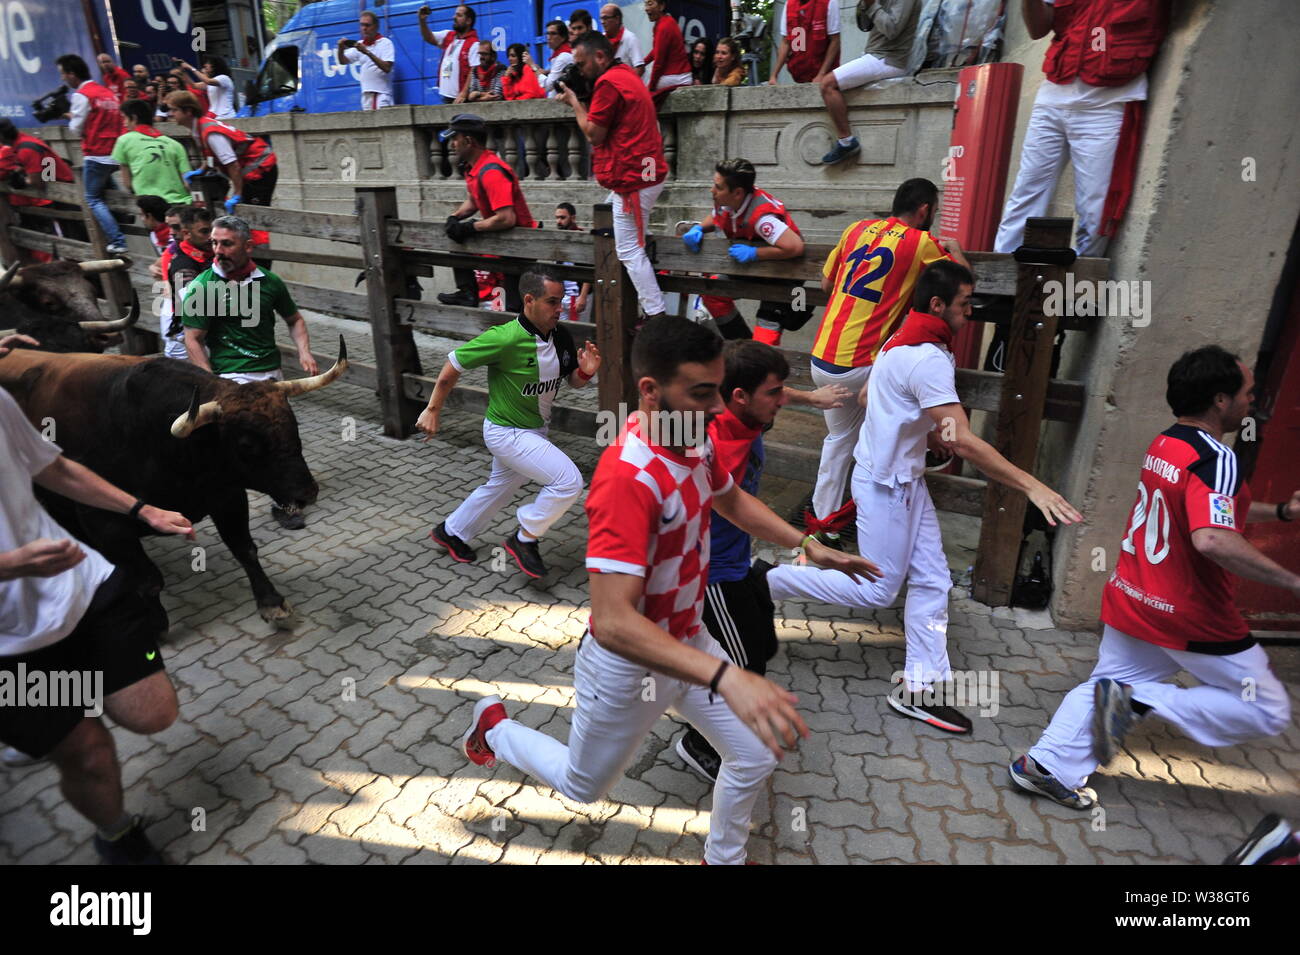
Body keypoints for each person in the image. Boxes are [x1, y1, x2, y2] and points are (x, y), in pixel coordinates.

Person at [457, 316, 879, 865]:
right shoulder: (628, 479)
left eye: (719, 389)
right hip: (627, 666)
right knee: (583, 787)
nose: (719, 407)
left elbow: (727, 497)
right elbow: (611, 621)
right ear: (652, 392)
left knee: (754, 756)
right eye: (702, 393)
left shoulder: (693, 438)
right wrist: (728, 676)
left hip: (690, 641)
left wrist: (807, 543)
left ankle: (721, 859)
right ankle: (495, 726)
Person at [764, 261, 1082, 733]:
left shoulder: (901, 338)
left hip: (901, 483)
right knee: (879, 589)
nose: (970, 312)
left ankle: (920, 687)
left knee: (934, 580)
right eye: (964, 304)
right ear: (937, 305)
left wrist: (913, 429)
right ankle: (766, 582)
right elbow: (964, 441)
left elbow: (873, 398)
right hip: (885, 489)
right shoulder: (928, 356)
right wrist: (1033, 486)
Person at [1009, 346, 1297, 810]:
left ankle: (1045, 767)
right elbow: (1212, 539)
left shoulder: (1168, 444)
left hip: (1134, 596)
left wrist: (1281, 512)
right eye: (1248, 392)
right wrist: (1293, 583)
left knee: (1107, 685)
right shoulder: (1217, 459)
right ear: (1221, 401)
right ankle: (1135, 696)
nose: (1253, 400)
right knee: (1267, 710)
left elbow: (1215, 514)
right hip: (1190, 616)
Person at [0, 333, 195, 864]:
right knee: (86, 751)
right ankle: (115, 833)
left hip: (79, 584)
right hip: (9, 642)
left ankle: (54, 715)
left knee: (153, 713)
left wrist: (143, 511)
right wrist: (7, 565)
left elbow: (52, 466)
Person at [675, 340, 856, 781]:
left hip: (737, 561)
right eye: (775, 394)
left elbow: (769, 391)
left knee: (762, 644)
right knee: (745, 665)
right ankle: (698, 742)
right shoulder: (715, 443)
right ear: (739, 397)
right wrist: (808, 544)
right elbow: (735, 507)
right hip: (710, 575)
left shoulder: (751, 409)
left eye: (781, 391)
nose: (781, 400)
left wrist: (812, 396)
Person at [805, 178, 966, 539]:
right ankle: (933, 446)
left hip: (821, 360)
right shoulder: (922, 242)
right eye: (934, 211)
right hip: (862, 366)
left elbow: (827, 285)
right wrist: (954, 250)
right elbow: (961, 284)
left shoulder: (856, 228)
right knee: (900, 422)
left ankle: (824, 527)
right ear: (925, 210)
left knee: (840, 442)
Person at [418, 268, 599, 578]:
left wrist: (585, 372)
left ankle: (452, 531)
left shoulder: (562, 337)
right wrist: (433, 409)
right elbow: (453, 365)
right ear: (529, 300)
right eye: (552, 301)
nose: (560, 308)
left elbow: (572, 383)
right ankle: (524, 538)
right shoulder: (504, 338)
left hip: (534, 431)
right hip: (507, 433)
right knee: (568, 482)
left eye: (562, 301)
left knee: (501, 485)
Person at [993, 0, 1170, 257]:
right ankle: (1003, 274)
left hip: (1109, 102)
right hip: (1054, 94)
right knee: (1027, 192)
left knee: (1097, 210)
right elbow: (1038, 29)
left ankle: (1081, 287)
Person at [559, 32, 668, 323]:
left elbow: (594, 134)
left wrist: (574, 102)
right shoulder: (626, 75)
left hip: (635, 180)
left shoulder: (608, 83)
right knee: (611, 218)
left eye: (582, 64)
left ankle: (656, 314)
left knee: (629, 249)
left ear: (600, 57)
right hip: (645, 172)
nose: (580, 70)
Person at [681, 158, 807, 345]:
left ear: (738, 193)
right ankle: (743, 348)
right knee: (713, 293)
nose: (712, 190)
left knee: (764, 340)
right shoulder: (728, 202)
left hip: (781, 276)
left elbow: (794, 247)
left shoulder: (763, 218)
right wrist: (699, 228)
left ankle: (756, 356)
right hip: (749, 271)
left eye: (718, 187)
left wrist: (754, 253)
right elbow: (718, 215)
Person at [180, 214, 317, 385]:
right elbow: (192, 338)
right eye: (214, 243)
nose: (218, 250)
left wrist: (304, 352)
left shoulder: (270, 281)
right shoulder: (201, 287)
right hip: (231, 376)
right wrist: (212, 383)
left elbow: (294, 319)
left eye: (227, 243)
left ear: (248, 246)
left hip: (273, 373)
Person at [435, 113, 536, 312]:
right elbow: (473, 200)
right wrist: (455, 218)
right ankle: (467, 292)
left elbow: (506, 218)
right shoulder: (474, 167)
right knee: (455, 234)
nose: (452, 144)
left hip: (518, 249)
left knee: (515, 310)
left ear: (468, 141)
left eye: (455, 139)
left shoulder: (491, 172)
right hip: (501, 244)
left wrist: (471, 227)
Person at [819, 0, 920, 165]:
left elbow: (892, 29)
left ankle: (846, 141)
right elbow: (865, 25)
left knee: (827, 84)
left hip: (890, 59)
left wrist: (872, 5)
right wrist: (865, 5)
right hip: (875, 55)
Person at [58, 54, 128, 255]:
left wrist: (69, 117)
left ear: (72, 74)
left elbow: (75, 129)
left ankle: (117, 239)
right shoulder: (106, 92)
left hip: (96, 153)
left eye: (63, 74)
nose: (63, 78)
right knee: (107, 189)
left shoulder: (82, 95)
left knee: (92, 198)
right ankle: (122, 221)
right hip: (114, 151)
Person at [166, 91, 278, 210]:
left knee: (256, 213)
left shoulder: (210, 133)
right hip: (254, 169)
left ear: (188, 111)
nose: (170, 114)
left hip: (261, 169)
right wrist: (201, 170)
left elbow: (232, 164)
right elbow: (211, 155)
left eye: (174, 110)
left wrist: (237, 194)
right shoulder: (199, 128)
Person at [112, 99, 192, 206]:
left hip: (149, 205)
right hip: (180, 203)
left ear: (134, 118)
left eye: (125, 118)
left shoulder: (124, 140)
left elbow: (128, 183)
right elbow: (187, 183)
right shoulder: (175, 144)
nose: (124, 123)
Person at [161, 204, 214, 361]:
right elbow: (194, 302)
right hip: (187, 339)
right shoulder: (183, 264)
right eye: (204, 231)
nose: (210, 236)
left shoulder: (209, 252)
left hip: (203, 333)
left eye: (212, 230)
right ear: (186, 233)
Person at [419, 3, 479, 104]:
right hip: (447, 97)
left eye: (459, 15)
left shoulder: (474, 43)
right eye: (455, 14)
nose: (454, 17)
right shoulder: (449, 35)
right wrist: (422, 21)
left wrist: (463, 93)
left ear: (468, 21)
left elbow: (474, 70)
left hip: (461, 99)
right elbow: (428, 37)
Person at [770, 0, 840, 86]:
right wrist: (774, 76)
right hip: (800, 74)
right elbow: (786, 42)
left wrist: (821, 75)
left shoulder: (828, 2)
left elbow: (835, 40)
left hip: (825, 75)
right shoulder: (790, 4)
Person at [336, 12, 396, 111]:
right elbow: (342, 61)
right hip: (366, 94)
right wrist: (340, 48)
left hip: (380, 93)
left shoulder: (385, 43)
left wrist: (367, 52)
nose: (364, 28)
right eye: (362, 25)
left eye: (367, 25)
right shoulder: (359, 44)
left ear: (376, 26)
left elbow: (387, 68)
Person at [642, 0, 692, 104]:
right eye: (645, 4)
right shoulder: (665, 22)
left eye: (650, 4)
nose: (646, 8)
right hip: (677, 75)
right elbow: (657, 50)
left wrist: (650, 87)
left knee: (642, 89)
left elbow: (659, 63)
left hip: (676, 76)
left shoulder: (664, 27)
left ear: (661, 6)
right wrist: (642, 63)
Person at [554, 202, 591, 321]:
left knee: (580, 331)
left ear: (573, 218)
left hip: (578, 294)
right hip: (562, 294)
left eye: (562, 217)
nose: (559, 221)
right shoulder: (557, 237)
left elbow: (589, 270)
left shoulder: (581, 237)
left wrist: (583, 296)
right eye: (557, 218)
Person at [174, 55, 239, 119]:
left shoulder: (224, 78)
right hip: (214, 116)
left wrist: (190, 67)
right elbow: (194, 85)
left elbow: (208, 81)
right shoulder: (211, 82)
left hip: (226, 116)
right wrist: (183, 71)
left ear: (215, 66)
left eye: (208, 63)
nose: (205, 65)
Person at [525, 20, 575, 98]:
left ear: (563, 37)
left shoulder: (563, 57)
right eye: (547, 34)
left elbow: (547, 86)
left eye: (553, 34)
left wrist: (532, 66)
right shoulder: (559, 55)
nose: (548, 37)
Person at [599, 3, 645, 77]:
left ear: (617, 19)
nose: (602, 22)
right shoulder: (601, 39)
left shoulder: (630, 38)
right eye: (601, 18)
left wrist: (628, 85)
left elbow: (640, 68)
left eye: (606, 18)